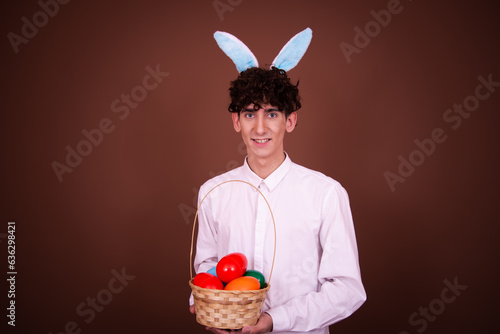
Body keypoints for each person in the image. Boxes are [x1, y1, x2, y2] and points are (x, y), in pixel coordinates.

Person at [189, 29, 366, 334]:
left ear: (290, 120)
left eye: (271, 114)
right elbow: (208, 268)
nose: (260, 127)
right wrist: (208, 303)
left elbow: (347, 289)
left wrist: (275, 320)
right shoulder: (213, 193)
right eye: (249, 114)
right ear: (236, 121)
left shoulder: (325, 194)